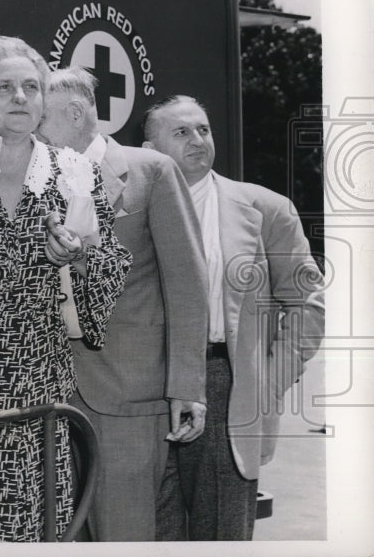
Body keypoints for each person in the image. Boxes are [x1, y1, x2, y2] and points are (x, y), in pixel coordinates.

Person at [0, 37, 131, 541]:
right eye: (5, 87)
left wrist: (77, 256)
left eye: (31, 87)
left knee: (37, 520)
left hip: (38, 375)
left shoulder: (75, 172)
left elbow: (111, 266)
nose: (20, 97)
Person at [37, 67, 209, 541]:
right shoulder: (32, 173)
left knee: (123, 535)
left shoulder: (150, 171)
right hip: (45, 392)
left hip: (125, 396)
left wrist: (187, 386)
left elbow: (187, 283)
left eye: (37, 117)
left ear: (74, 113)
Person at [143, 95, 325, 540]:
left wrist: (268, 379)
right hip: (145, 388)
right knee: (150, 531)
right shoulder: (129, 208)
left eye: (203, 129)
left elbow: (308, 303)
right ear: (150, 149)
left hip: (226, 383)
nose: (198, 140)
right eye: (181, 132)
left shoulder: (266, 208)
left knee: (221, 534)